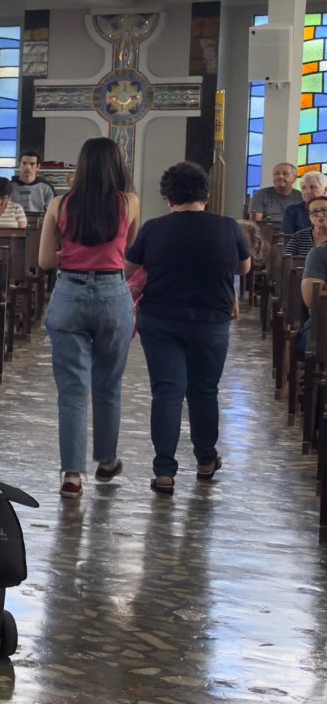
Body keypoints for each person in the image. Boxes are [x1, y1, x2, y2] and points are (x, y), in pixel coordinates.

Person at [128, 161, 250, 493]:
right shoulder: (227, 227)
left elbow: (129, 267)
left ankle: (164, 471)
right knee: (204, 391)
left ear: (168, 197)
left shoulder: (154, 228)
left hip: (161, 319)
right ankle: (206, 460)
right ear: (206, 196)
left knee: (167, 392)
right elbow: (243, 267)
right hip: (211, 320)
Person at [301, 193, 327, 355]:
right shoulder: (319, 254)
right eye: (315, 212)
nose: (320, 215)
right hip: (322, 323)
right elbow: (311, 298)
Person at [247, 160, 302, 228]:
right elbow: (255, 225)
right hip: (267, 234)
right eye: (277, 174)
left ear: (294, 178)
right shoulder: (260, 194)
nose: (280, 176)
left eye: (285, 174)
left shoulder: (301, 197)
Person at [9, 152, 56, 218]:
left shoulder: (47, 188)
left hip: (39, 224)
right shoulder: (8, 187)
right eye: (24, 163)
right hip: (13, 223)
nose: (27, 167)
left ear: (38, 166)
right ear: (19, 164)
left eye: (32, 164)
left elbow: (52, 213)